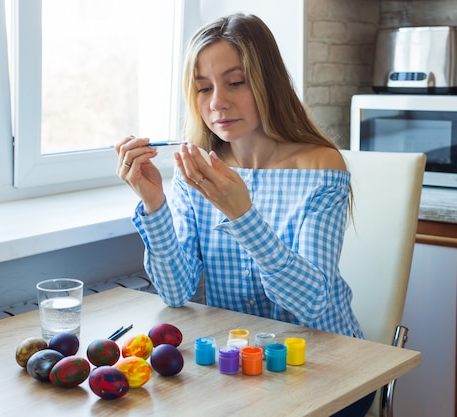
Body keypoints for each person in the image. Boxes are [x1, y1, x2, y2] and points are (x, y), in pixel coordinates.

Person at [116, 13, 374, 416]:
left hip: (328, 369)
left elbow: (313, 305)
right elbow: (175, 291)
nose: (217, 102)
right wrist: (155, 204)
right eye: (203, 88)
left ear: (268, 82)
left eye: (235, 82)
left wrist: (243, 216)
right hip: (239, 367)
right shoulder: (197, 171)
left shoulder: (321, 167)